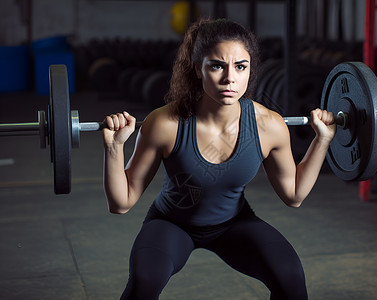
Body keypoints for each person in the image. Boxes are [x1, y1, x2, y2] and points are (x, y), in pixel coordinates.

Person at [103, 18, 336, 300]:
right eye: (217, 66)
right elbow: (121, 203)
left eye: (241, 67)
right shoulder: (165, 123)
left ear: (250, 70)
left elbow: (294, 195)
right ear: (197, 69)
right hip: (171, 223)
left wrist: (322, 140)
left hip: (234, 224)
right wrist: (115, 147)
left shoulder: (269, 126)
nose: (230, 78)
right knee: (145, 281)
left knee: (291, 277)